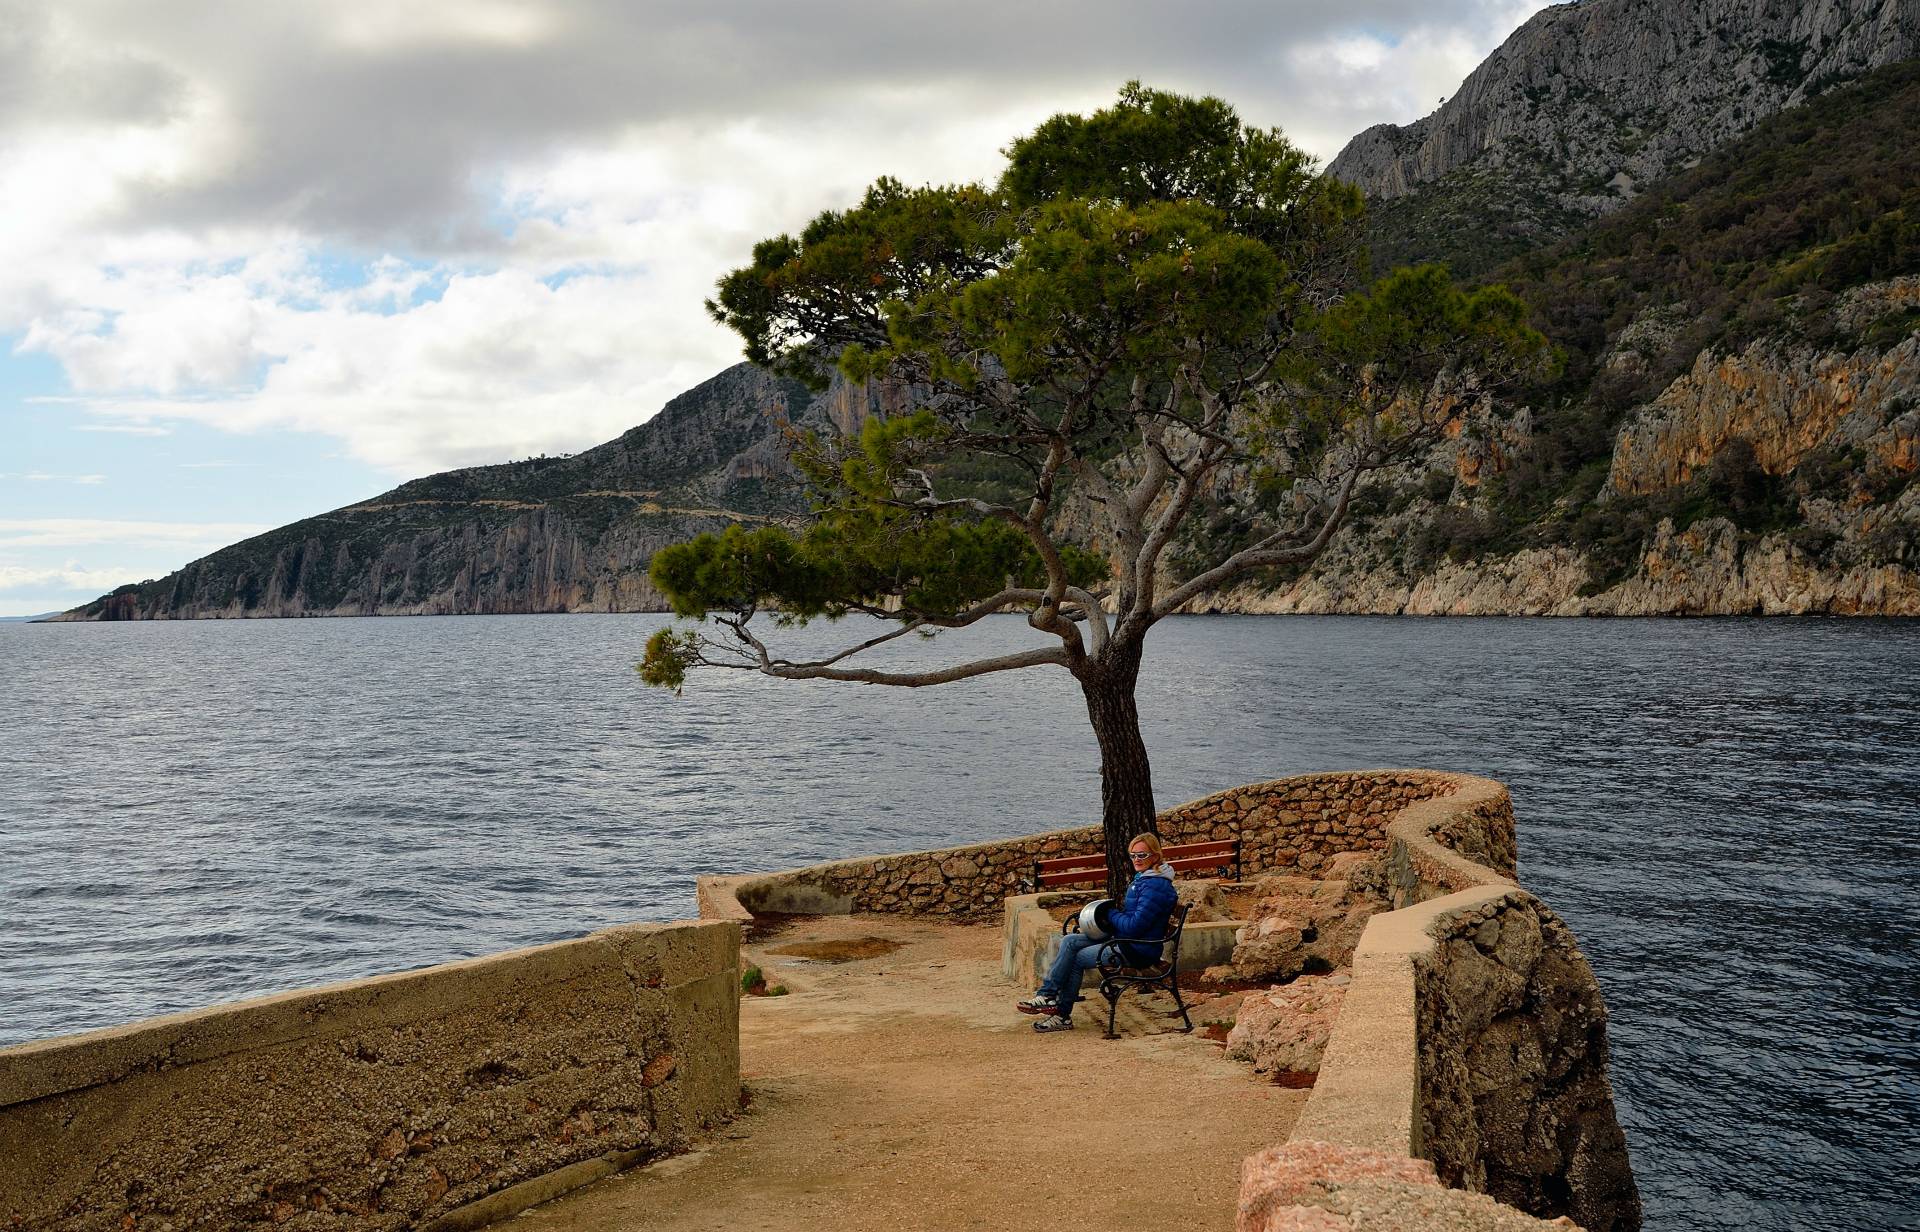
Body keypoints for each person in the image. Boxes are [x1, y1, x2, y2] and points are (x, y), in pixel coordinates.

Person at [1018, 832, 1178, 1032]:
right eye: (1133, 855)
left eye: (1142, 855)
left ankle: (1062, 1015)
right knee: (1069, 941)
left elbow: (1135, 925)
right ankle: (1047, 995)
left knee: (1076, 959)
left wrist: (1110, 914)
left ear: (1155, 856)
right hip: (1127, 940)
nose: (1136, 859)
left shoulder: (1155, 886)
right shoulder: (1147, 879)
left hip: (1138, 950)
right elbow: (1133, 920)